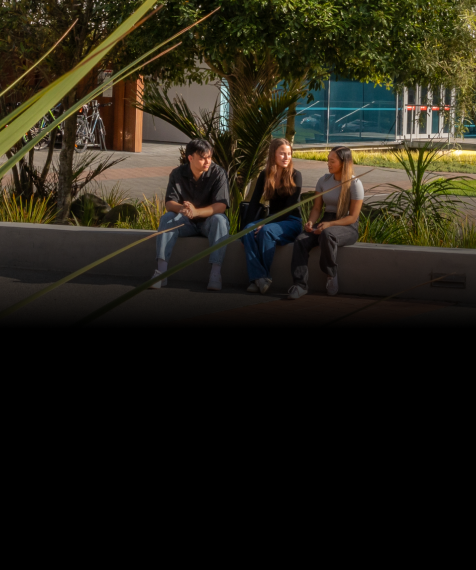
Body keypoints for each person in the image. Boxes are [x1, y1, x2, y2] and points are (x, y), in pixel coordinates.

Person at [150, 139, 230, 291]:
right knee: (167, 218)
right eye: (202, 158)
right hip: (185, 222)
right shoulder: (177, 173)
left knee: (220, 220)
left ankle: (215, 274)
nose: (207, 161)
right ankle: (161, 272)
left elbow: (221, 206)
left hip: (208, 223)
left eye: (209, 157)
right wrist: (183, 209)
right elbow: (169, 203)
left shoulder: (218, 173)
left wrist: (196, 212)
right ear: (190, 158)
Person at [288, 146, 364, 300]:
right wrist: (310, 222)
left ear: (343, 163)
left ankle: (331, 273)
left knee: (327, 234)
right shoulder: (323, 181)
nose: (328, 164)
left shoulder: (355, 184)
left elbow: (353, 217)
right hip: (326, 220)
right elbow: (317, 208)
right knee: (301, 240)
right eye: (328, 160)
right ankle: (300, 285)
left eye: (332, 161)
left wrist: (330, 225)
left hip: (347, 225)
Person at [241, 138, 302, 294]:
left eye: (289, 154)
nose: (286, 157)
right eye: (282, 153)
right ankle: (261, 278)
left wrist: (265, 223)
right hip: (272, 221)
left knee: (265, 231)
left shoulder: (296, 175)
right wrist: (244, 228)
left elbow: (289, 209)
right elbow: (254, 202)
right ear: (273, 155)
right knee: (249, 230)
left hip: (291, 221)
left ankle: (259, 278)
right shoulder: (265, 175)